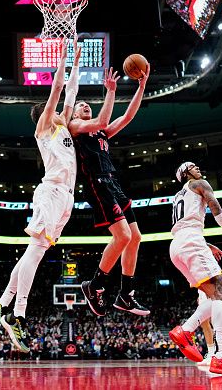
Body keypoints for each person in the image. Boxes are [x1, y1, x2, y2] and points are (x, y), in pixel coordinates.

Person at [0, 38, 81, 353]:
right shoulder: (45, 127)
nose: (62, 111)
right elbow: (57, 92)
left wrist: (77, 64)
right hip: (51, 192)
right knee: (37, 251)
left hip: (66, 197)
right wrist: (63, 61)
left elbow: (71, 93)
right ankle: (19, 315)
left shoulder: (64, 127)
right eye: (55, 110)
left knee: (35, 252)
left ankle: (0, 305)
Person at [71, 62, 150, 317]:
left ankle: (126, 295)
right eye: (80, 105)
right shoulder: (76, 128)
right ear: (72, 114)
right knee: (123, 237)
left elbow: (127, 117)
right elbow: (103, 118)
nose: (85, 105)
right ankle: (94, 286)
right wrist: (111, 91)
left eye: (86, 104)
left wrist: (142, 86)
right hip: (97, 183)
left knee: (135, 237)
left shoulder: (101, 132)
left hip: (113, 182)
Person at [167, 162, 222, 376]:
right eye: (193, 166)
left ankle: (185, 331)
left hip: (177, 246)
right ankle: (221, 356)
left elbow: (185, 226)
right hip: (191, 241)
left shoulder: (179, 195)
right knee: (220, 294)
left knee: (212, 296)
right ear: (186, 174)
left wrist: (204, 244)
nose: (198, 168)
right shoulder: (198, 183)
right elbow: (217, 211)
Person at [196, 242, 222, 367]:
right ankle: (211, 353)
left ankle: (220, 353)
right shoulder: (196, 258)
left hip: (211, 289)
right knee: (204, 323)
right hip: (202, 290)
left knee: (215, 322)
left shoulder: (208, 260)